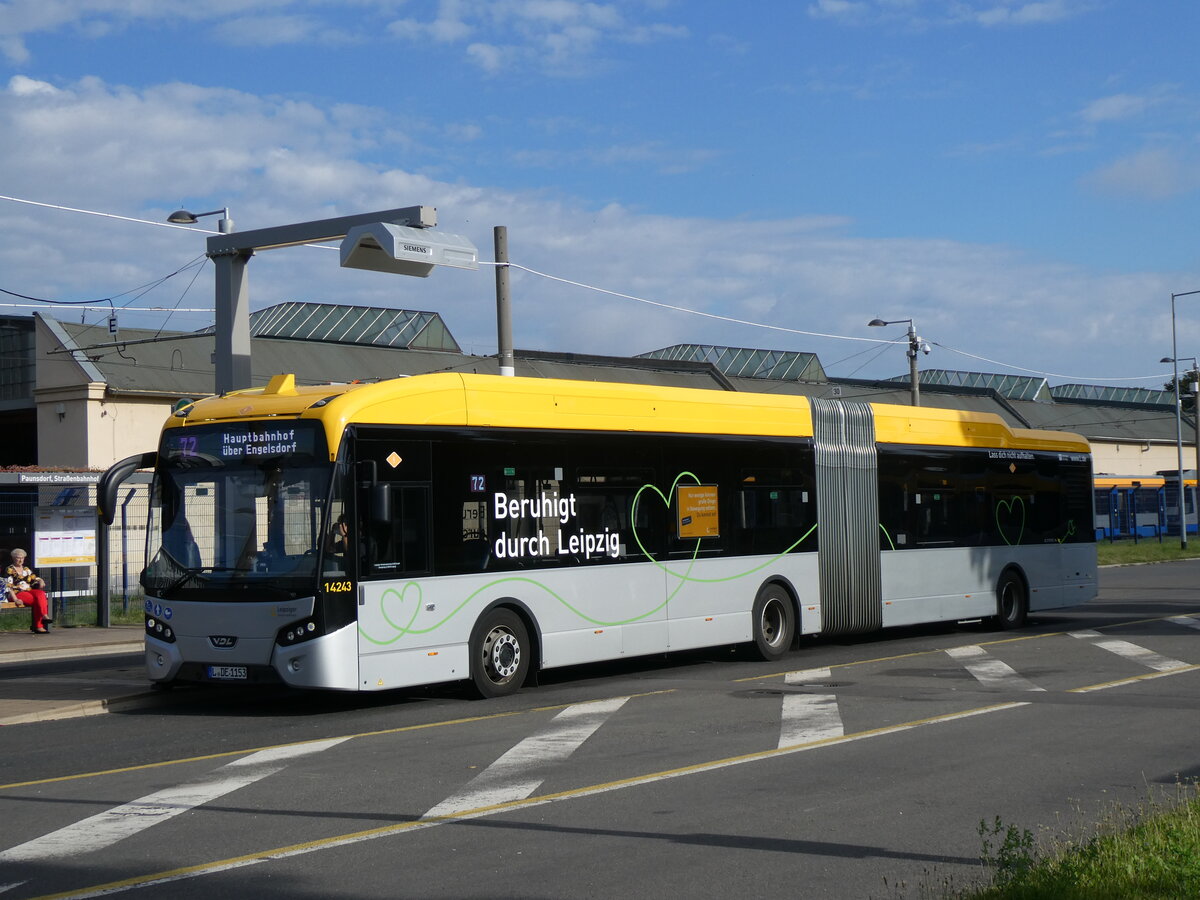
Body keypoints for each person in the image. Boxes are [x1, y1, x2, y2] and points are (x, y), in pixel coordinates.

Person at [6, 548, 51, 634]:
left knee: (41, 593)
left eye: (22, 558)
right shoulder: (9, 569)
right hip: (16, 593)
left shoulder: (26, 569)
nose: (20, 560)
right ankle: (39, 625)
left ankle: (44, 616)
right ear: (13, 558)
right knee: (37, 601)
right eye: (18, 558)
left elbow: (34, 578)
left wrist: (41, 580)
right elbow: (9, 586)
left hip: (28, 591)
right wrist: (15, 599)